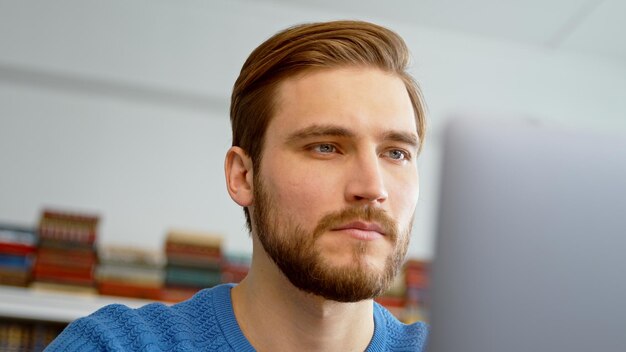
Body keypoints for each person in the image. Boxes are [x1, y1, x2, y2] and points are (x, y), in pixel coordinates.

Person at [47, 20, 428, 351]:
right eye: (325, 147)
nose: (372, 187)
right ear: (242, 176)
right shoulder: (113, 346)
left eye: (396, 154)